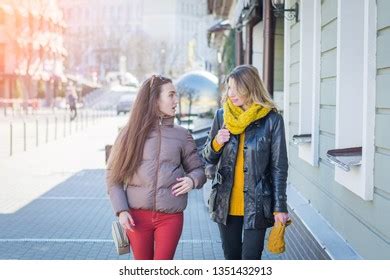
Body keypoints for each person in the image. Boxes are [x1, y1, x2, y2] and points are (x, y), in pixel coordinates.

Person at [106, 74, 206, 260]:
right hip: (136, 217)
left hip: (170, 218)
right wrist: (121, 210)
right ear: (155, 99)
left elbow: (198, 170)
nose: (176, 100)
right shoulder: (129, 134)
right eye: (171, 95)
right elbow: (113, 177)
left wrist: (193, 180)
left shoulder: (183, 135)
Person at [202, 64, 289, 260]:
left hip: (257, 204)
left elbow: (278, 167)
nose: (231, 93)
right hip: (225, 202)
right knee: (232, 257)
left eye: (236, 88)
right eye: (229, 88)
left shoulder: (272, 120)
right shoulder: (222, 116)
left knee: (251, 260)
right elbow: (207, 156)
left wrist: (280, 207)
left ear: (251, 87)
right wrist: (217, 142)